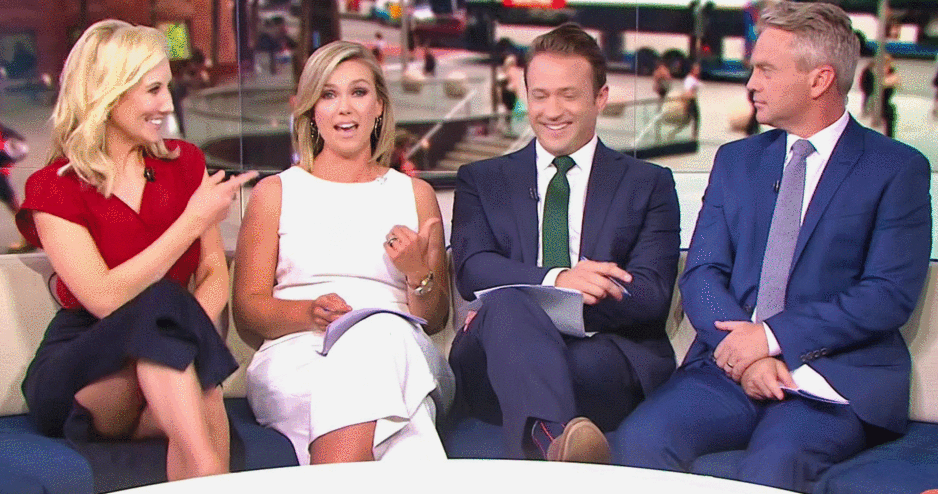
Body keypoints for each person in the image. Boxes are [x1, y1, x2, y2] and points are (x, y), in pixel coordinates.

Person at [614, 3, 932, 492]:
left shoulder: (894, 168)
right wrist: (748, 354)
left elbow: (887, 294)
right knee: (640, 441)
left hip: (832, 378)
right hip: (727, 366)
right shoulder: (736, 161)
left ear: (819, 79)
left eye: (766, 70)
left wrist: (771, 338)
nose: (751, 84)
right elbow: (702, 273)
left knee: (775, 466)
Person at [14, 20, 257, 480]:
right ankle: (212, 474)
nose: (167, 104)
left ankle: (205, 474)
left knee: (169, 322)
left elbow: (213, 272)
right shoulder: (53, 187)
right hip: (85, 370)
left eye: (167, 88)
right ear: (108, 93)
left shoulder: (185, 164)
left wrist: (190, 334)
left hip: (169, 356)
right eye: (153, 90)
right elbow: (104, 298)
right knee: (164, 303)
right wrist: (191, 223)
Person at [449, 23, 681, 463]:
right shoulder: (482, 180)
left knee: (516, 316)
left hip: (602, 357)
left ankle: (545, 437)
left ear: (601, 98)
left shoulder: (648, 184)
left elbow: (651, 295)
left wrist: (562, 305)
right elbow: (473, 269)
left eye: (568, 95)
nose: (552, 111)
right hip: (495, 356)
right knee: (506, 305)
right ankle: (561, 445)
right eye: (540, 96)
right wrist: (559, 280)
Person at [233, 40, 454, 465]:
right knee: (408, 430)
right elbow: (248, 313)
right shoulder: (275, 193)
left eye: (358, 92)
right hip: (299, 358)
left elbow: (435, 319)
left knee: (379, 332)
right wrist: (309, 312)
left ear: (379, 106)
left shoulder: (416, 194)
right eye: (329, 95)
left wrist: (417, 275)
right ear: (311, 110)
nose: (345, 108)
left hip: (401, 352)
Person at [0, 122, 34, 253]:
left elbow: (20, 150)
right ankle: (29, 237)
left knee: (14, 205)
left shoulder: (8, 135)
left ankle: (29, 238)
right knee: (14, 205)